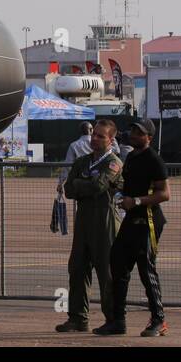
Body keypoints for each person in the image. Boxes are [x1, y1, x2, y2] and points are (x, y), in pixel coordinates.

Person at [98, 118, 170, 337]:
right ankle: (117, 320)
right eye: (132, 131)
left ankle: (159, 320)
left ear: (148, 137)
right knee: (118, 263)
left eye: (139, 132)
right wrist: (119, 193)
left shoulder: (153, 159)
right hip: (131, 219)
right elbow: (127, 185)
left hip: (148, 220)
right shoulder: (130, 157)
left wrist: (136, 201)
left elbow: (164, 194)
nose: (133, 135)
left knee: (146, 269)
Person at [55, 119, 122, 332]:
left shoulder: (114, 163)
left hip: (105, 221)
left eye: (101, 136)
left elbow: (99, 186)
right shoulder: (82, 162)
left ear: (110, 140)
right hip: (84, 220)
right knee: (77, 268)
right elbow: (69, 189)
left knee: (107, 272)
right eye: (94, 135)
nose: (94, 138)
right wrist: (84, 186)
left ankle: (114, 320)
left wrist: (82, 185)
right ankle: (78, 318)